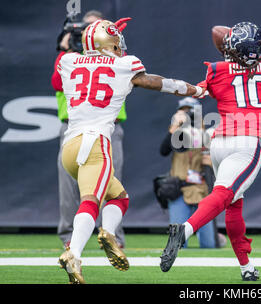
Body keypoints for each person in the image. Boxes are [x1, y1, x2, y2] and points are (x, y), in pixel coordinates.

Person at [56, 19, 206, 284]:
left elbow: (75, 59)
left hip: (69, 146)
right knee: (90, 201)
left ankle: (108, 234)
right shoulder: (124, 65)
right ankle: (74, 254)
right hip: (96, 144)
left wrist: (88, 36)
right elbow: (156, 82)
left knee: (120, 197)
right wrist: (193, 89)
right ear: (109, 43)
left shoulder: (68, 62)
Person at [159, 22, 261, 281]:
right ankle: (185, 229)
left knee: (233, 204)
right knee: (225, 195)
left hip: (219, 143)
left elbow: (201, 86)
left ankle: (246, 267)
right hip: (247, 142)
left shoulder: (218, 70)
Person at [51, 10, 129, 248]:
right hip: (73, 127)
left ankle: (111, 235)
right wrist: (66, 49)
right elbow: (56, 82)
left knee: (111, 182)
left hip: (108, 127)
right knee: (69, 185)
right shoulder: (69, 58)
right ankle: (69, 237)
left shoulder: (116, 57)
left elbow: (121, 66)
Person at [159, 97, 226, 248]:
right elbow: (163, 150)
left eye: (191, 111)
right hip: (179, 189)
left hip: (202, 189)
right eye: (184, 110)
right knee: (178, 243)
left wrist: (212, 160)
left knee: (209, 244)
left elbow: (221, 159)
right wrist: (175, 126)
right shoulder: (176, 132)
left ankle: (217, 237)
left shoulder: (206, 133)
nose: (187, 114)